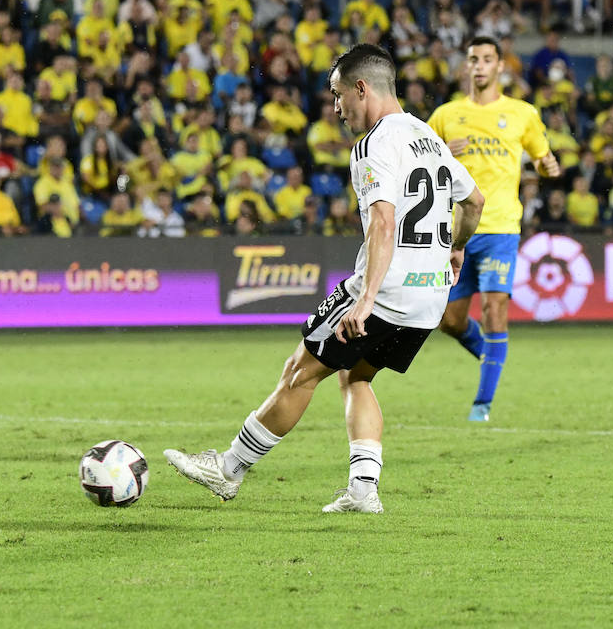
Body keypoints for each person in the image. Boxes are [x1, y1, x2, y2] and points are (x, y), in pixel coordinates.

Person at [164, 44, 484, 513]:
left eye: (338, 96)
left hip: (386, 291)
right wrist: (456, 248)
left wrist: (365, 299)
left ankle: (228, 469)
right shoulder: (428, 136)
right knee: (357, 377)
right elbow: (474, 201)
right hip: (428, 298)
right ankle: (363, 490)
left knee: (299, 373)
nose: (336, 108)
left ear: (362, 88)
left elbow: (382, 221)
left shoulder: (374, 143)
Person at [428, 36, 559, 422]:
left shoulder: (522, 113)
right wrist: (441, 153)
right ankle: (491, 357)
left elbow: (543, 156)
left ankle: (481, 405)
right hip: (457, 232)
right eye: (474, 59)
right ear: (466, 66)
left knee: (494, 309)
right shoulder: (446, 115)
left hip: (502, 226)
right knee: (449, 321)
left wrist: (549, 166)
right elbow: (417, 164)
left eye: (487, 59)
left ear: (501, 66)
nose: (480, 65)